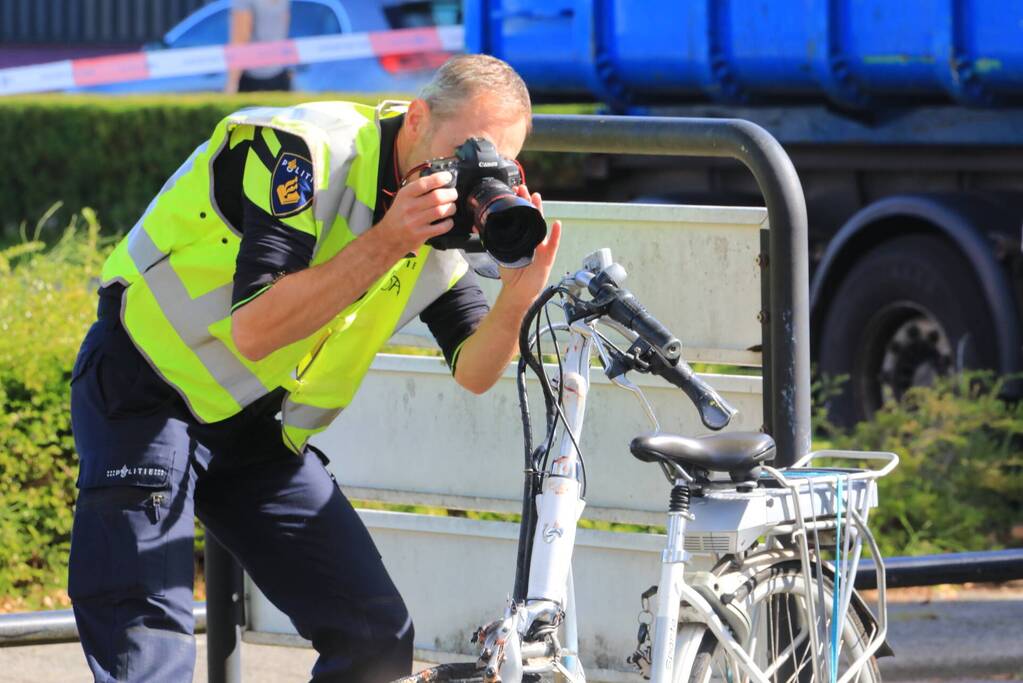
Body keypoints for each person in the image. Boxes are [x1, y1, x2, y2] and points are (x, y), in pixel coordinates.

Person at [67, 54, 561, 682]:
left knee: (375, 636)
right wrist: (389, 240)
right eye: (466, 149)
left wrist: (520, 292)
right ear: (416, 118)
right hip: (149, 387)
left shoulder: (441, 226)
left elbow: (474, 369)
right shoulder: (306, 153)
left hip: (256, 431)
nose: (473, 174)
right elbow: (257, 329)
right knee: (150, 648)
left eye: (497, 159)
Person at [225, 0, 293, 93]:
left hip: (252, 76)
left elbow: (240, 39)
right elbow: (284, 29)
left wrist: (232, 82)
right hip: (279, 70)